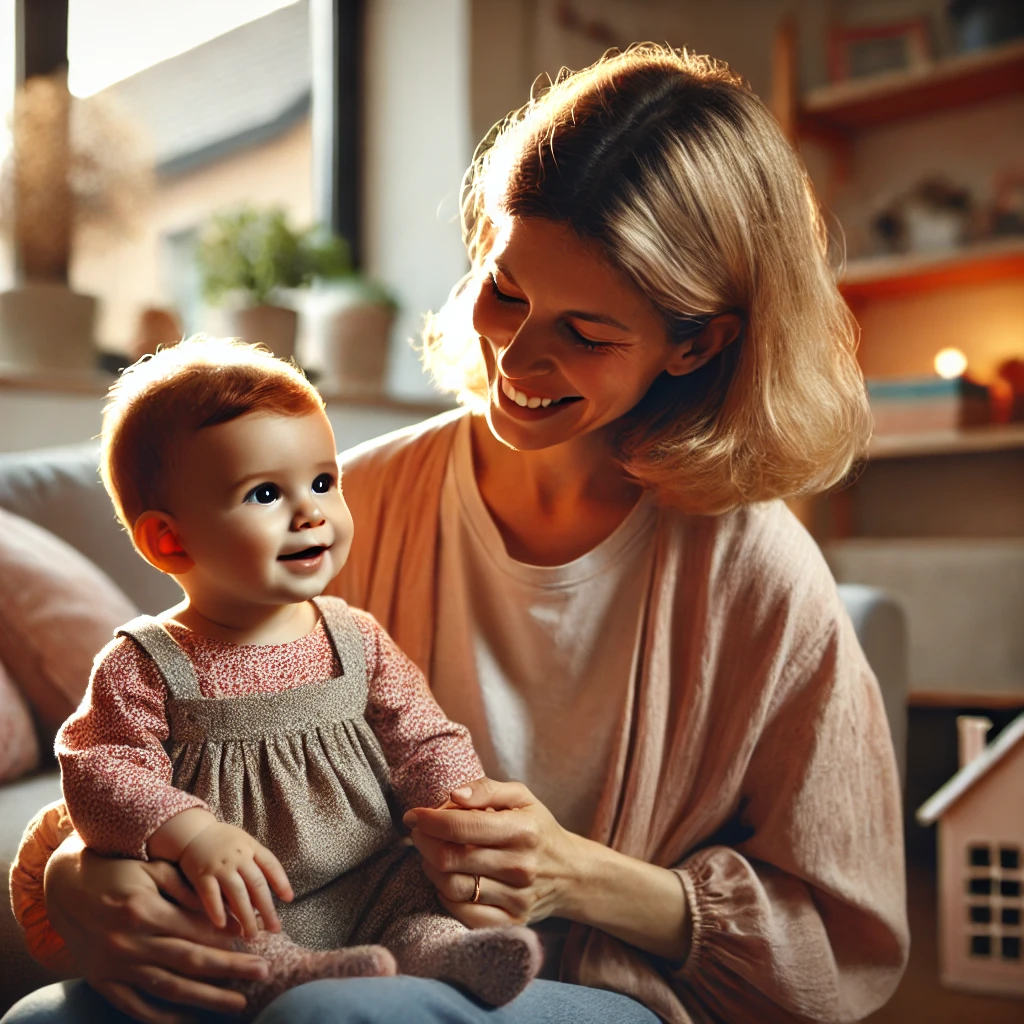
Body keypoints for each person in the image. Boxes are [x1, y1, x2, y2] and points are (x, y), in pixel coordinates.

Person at [4, 44, 908, 1024]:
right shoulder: (358, 499)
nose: (517, 354)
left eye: (586, 331)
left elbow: (839, 941)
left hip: (594, 988)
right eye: (505, 286)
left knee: (331, 1017)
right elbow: (170, 727)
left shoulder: (757, 572)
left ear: (697, 342)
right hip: (334, 940)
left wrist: (577, 877)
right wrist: (71, 875)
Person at [32, 338, 543, 1019]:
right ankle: (284, 975)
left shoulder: (353, 635)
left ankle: (435, 948)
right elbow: (99, 769)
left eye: (324, 482)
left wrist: (456, 801)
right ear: (169, 541)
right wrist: (193, 834)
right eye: (266, 493)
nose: (310, 512)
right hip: (240, 888)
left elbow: (422, 735)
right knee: (211, 918)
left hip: (366, 874)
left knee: (410, 891)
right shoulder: (145, 662)